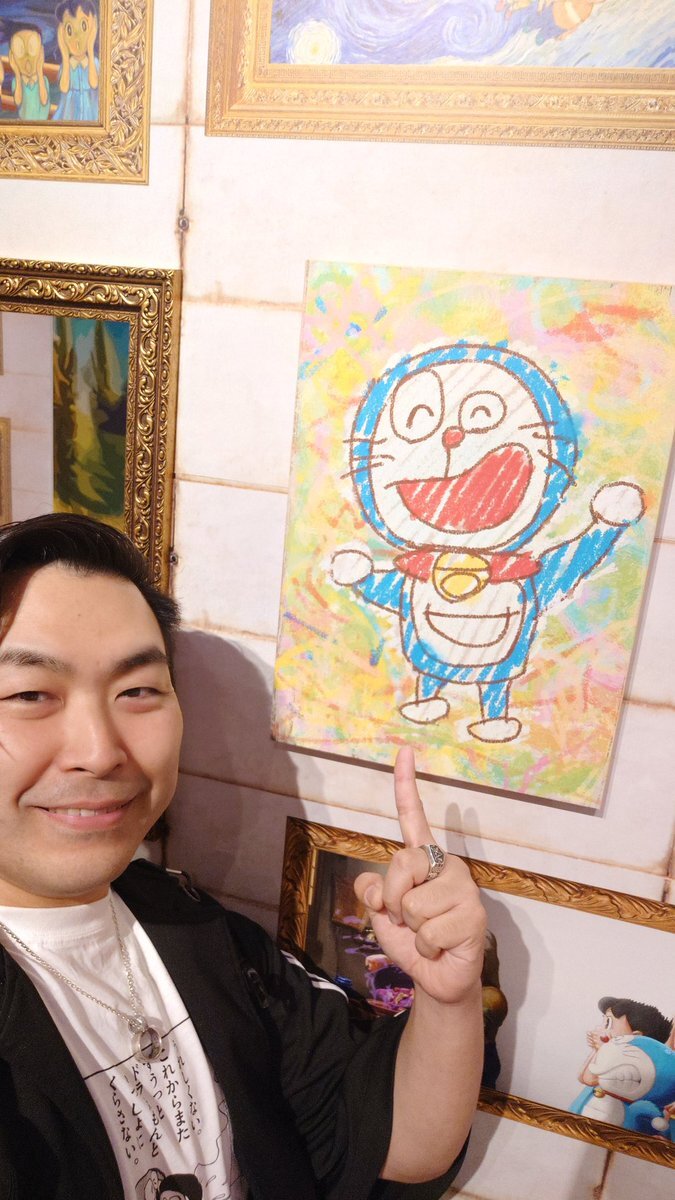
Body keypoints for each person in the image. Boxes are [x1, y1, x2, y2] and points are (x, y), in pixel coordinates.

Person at [0, 512, 486, 1199]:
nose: (101, 751)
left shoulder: (194, 928)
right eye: (28, 695)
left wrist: (447, 996)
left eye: (138, 691)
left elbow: (400, 1145)